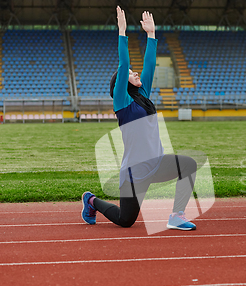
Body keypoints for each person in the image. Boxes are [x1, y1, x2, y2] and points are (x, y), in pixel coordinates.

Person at [81, 7, 197, 231]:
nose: (136, 74)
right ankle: (91, 200)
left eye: (136, 72)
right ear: (122, 83)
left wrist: (151, 35)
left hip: (156, 163)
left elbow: (150, 66)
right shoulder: (122, 104)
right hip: (134, 174)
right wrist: (122, 32)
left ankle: (176, 215)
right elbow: (123, 66)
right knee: (126, 221)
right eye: (132, 74)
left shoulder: (143, 96)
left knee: (189, 165)